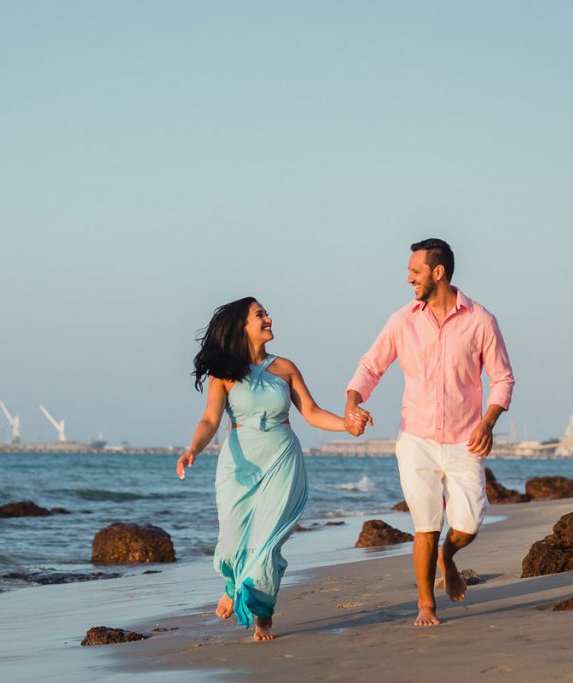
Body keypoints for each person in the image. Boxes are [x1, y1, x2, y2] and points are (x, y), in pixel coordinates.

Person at [344, 238, 514, 627]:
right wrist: (353, 401)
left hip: (464, 439)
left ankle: (448, 556)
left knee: (468, 524)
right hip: (416, 439)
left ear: (438, 273)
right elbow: (371, 366)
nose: (409, 279)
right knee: (426, 524)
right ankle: (426, 604)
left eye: (415, 272)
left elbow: (502, 378)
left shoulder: (480, 320)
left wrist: (488, 422)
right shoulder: (402, 320)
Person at [177, 296, 349, 641]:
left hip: (282, 459)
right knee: (231, 539)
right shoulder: (223, 374)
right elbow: (210, 419)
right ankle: (234, 583)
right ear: (243, 326)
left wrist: (348, 425)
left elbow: (312, 413)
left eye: (266, 313)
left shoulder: (285, 368)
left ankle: (263, 616)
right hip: (239, 465)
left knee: (266, 543)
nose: (269, 318)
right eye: (260, 314)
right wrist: (192, 449)